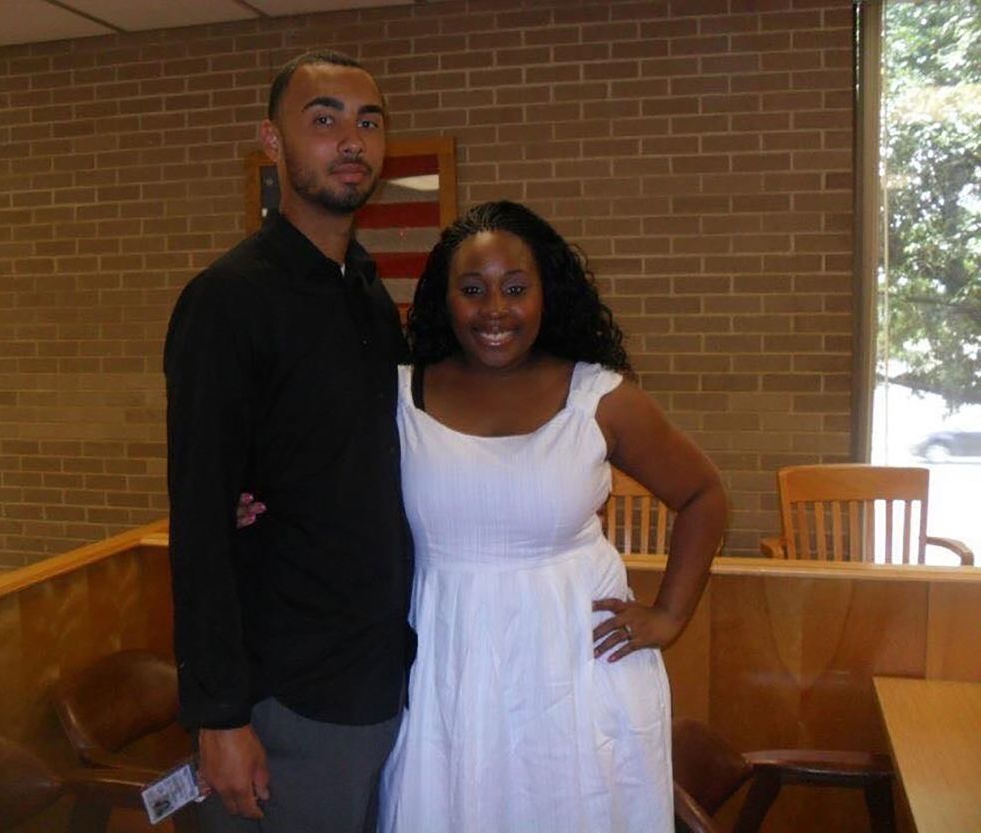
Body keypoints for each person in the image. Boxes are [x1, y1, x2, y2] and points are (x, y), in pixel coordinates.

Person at [378, 201, 727, 833]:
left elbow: (704, 495)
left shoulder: (600, 397)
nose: (495, 310)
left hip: (579, 671)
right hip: (446, 665)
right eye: (472, 289)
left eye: (516, 288)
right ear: (442, 298)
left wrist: (670, 614)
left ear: (546, 293)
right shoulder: (400, 394)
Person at [164, 50, 414, 833]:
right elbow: (200, 523)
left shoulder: (370, 295)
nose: (351, 139)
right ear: (271, 143)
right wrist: (219, 717)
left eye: (367, 122)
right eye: (324, 119)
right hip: (283, 699)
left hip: (376, 680)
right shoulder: (228, 301)